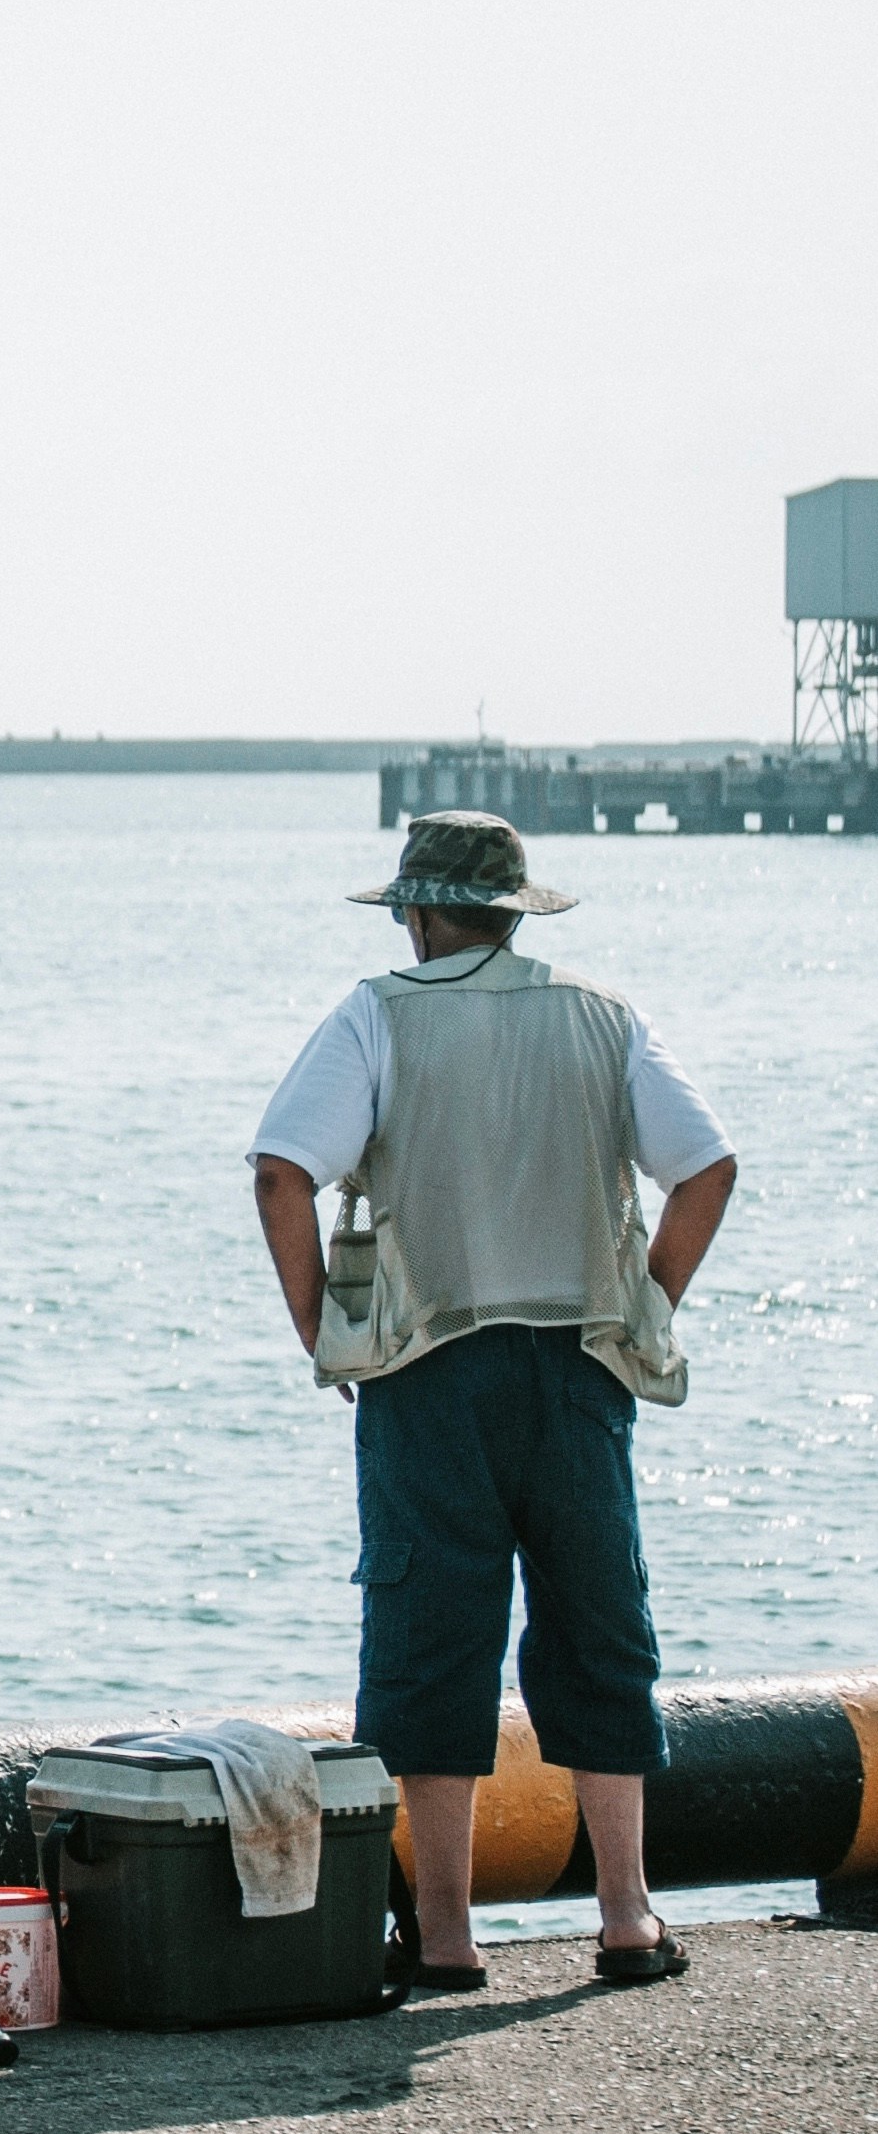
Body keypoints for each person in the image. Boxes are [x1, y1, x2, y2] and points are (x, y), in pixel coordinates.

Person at [249, 811, 736, 1992]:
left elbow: (280, 1169)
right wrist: (650, 1303)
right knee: (597, 1629)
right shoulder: (601, 1017)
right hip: (579, 1367)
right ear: (517, 912)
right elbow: (705, 1167)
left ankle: (450, 1937)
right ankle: (625, 1918)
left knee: (431, 1638)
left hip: (428, 1370)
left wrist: (318, 1325)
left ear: (416, 912)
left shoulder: (377, 1012)